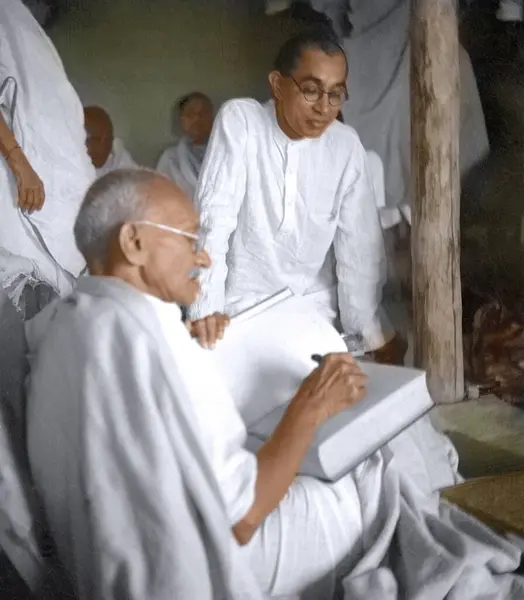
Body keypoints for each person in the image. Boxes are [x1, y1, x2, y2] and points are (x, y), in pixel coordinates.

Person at [26, 169, 524, 599]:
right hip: (203, 567)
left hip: (106, 565)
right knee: (370, 473)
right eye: (188, 239)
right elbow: (243, 514)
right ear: (133, 241)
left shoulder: (67, 323)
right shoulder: (148, 334)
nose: (202, 259)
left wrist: (188, 342)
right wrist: (310, 404)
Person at [188, 30, 404, 364]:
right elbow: (212, 224)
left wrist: (365, 334)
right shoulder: (242, 122)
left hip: (314, 307)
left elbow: (359, 250)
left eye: (336, 94)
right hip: (242, 309)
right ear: (277, 84)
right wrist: (206, 311)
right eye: (311, 89)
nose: (323, 107)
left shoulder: (345, 146)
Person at [0, 0, 95, 312]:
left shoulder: (29, 28)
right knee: (28, 282)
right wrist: (19, 161)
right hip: (21, 177)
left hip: (53, 178)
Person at [156, 92, 214, 200]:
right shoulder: (170, 158)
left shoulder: (226, 154)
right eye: (191, 113)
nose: (197, 118)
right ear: (182, 120)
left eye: (203, 113)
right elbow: (162, 197)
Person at [84, 105, 138, 177]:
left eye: (108, 139)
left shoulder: (117, 155)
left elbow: (139, 181)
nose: (104, 146)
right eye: (97, 139)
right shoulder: (70, 164)